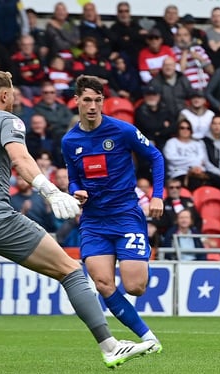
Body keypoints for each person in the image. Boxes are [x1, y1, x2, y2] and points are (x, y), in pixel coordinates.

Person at [0, 70, 154, 367]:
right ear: (5, 95)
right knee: (71, 271)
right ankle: (110, 346)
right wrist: (50, 191)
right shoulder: (7, 120)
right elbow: (20, 158)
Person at [62, 74, 165, 354]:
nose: (92, 106)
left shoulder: (122, 130)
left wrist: (157, 195)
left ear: (103, 101)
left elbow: (155, 156)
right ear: (77, 102)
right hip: (94, 221)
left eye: (97, 100)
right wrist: (76, 190)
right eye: (87, 100)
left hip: (125, 216)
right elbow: (73, 178)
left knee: (136, 286)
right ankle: (149, 338)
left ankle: (140, 256)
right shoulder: (70, 141)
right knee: (103, 283)